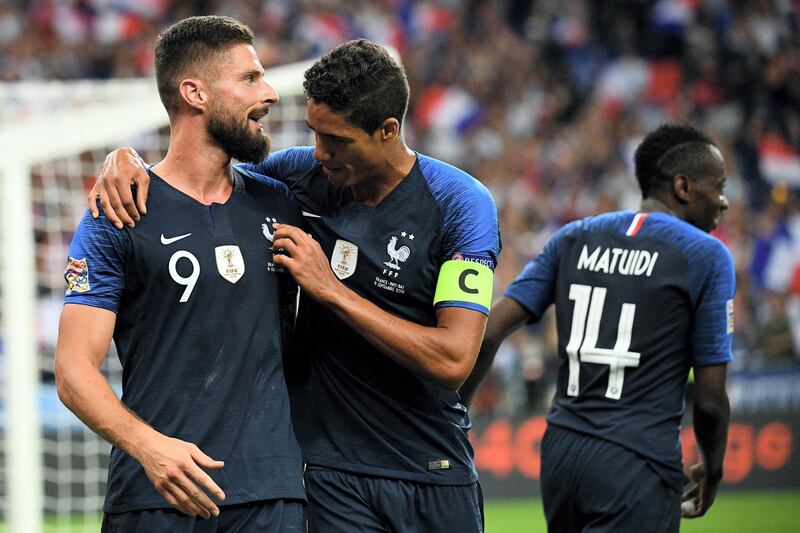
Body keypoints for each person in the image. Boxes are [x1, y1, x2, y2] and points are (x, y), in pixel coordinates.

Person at [88, 39, 501, 532]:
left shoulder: (459, 204)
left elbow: (454, 359)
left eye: (338, 140)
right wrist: (127, 159)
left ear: (388, 130)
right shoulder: (300, 174)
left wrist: (329, 289)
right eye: (315, 133)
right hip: (327, 473)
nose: (320, 152)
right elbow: (200, 172)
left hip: (431, 464)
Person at [56, 16, 305, 532]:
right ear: (193, 92)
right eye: (250, 79)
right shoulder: (120, 214)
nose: (271, 93)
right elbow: (74, 371)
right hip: (155, 496)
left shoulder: (282, 199)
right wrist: (151, 449)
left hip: (270, 495)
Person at [460, 123, 733, 532]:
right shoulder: (707, 255)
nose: (724, 201)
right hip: (637, 459)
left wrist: (453, 414)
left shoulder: (572, 237)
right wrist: (713, 470)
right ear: (683, 186)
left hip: (561, 457)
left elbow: (489, 333)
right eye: (719, 185)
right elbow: (710, 400)